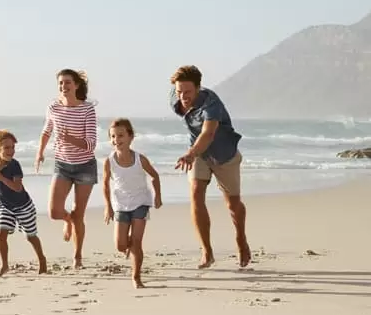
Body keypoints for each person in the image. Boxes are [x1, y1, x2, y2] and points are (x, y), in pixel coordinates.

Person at [168, 65, 251, 269]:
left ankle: (241, 239)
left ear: (198, 88)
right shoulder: (175, 97)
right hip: (200, 155)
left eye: (187, 92)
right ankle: (207, 250)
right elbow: (197, 134)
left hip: (224, 155)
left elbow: (208, 134)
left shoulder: (211, 104)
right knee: (196, 194)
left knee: (233, 205)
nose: (183, 96)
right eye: (179, 91)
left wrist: (189, 154)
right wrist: (193, 153)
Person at [35, 68, 98, 269]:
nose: (64, 86)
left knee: (79, 213)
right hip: (62, 165)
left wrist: (69, 138)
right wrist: (40, 152)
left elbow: (91, 144)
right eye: (61, 83)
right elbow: (47, 131)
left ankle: (77, 256)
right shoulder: (53, 107)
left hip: (85, 167)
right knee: (54, 212)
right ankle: (67, 220)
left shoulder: (87, 109)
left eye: (67, 82)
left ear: (77, 85)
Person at [101, 118, 162, 289]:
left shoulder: (140, 159)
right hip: (120, 204)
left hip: (141, 202)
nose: (116, 140)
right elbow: (105, 184)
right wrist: (108, 206)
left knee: (136, 242)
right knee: (121, 245)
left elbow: (155, 176)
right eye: (113, 136)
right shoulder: (109, 161)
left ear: (130, 137)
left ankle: (136, 277)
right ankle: (129, 249)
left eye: (120, 136)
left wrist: (158, 196)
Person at [0, 129, 48, 277]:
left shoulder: (15, 165)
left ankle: (42, 259)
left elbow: (18, 187)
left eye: (13, 147)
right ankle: (5, 265)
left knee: (30, 236)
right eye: (6, 148)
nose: (11, 151)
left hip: (23, 206)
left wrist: (1, 178)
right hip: (5, 206)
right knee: (1, 234)